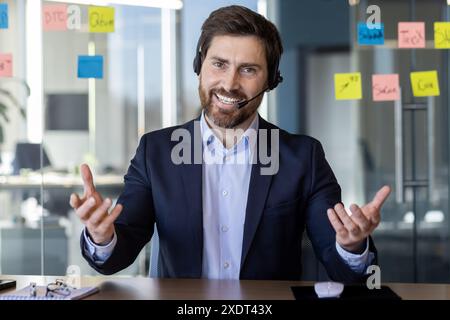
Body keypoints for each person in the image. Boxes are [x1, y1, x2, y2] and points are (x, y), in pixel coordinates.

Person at [70, 5, 390, 282]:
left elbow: (341, 267)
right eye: (219, 64)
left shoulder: (302, 157)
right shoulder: (157, 152)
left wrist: (351, 246)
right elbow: (117, 254)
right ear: (199, 67)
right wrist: (102, 237)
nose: (229, 83)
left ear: (270, 80)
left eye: (248, 70)